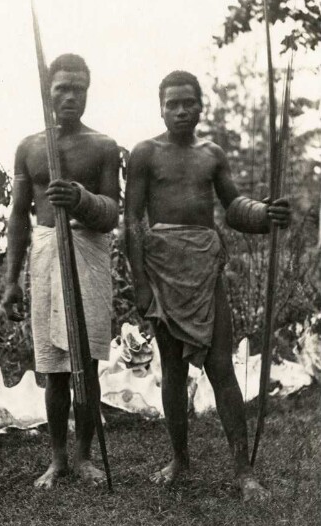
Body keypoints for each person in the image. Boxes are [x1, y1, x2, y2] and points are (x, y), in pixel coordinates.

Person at [124, 70, 291, 501]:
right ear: (160, 107)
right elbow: (131, 221)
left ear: (201, 106)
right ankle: (180, 458)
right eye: (171, 103)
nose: (180, 110)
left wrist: (262, 214)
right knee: (173, 370)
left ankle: (242, 470)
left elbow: (233, 206)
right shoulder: (145, 154)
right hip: (162, 270)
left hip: (204, 267)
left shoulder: (211, 154)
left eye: (188, 102)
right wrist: (141, 284)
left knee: (221, 367)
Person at [2, 54, 120, 489]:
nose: (70, 97)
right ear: (47, 92)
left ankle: (86, 456)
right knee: (53, 367)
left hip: (87, 250)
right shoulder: (30, 147)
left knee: (85, 362)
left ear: (88, 92)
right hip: (47, 251)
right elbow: (18, 216)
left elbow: (111, 213)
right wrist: (11, 280)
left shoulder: (104, 146)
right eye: (61, 89)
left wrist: (82, 199)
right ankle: (57, 460)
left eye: (79, 89)